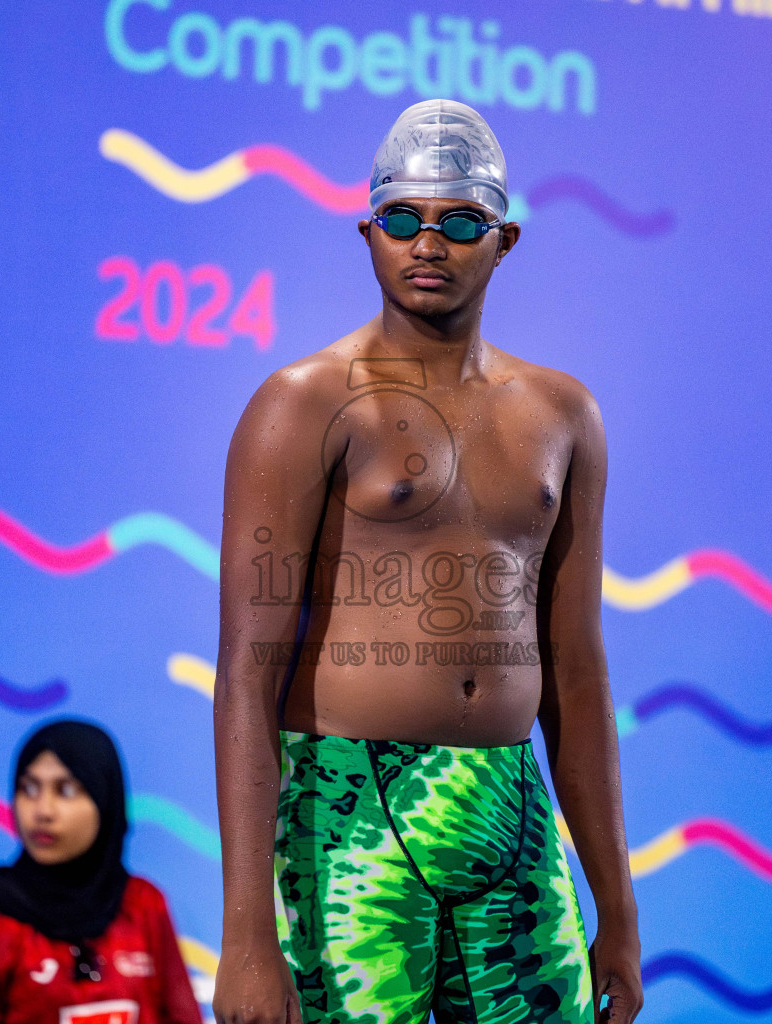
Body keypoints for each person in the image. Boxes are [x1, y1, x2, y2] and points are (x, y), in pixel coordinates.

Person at [212, 99, 643, 1024]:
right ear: (368, 232)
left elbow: (576, 670)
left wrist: (618, 907)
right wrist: (246, 933)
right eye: (404, 219)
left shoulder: (564, 417)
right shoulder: (303, 404)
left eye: (459, 223)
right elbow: (245, 677)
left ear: (506, 239)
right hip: (350, 807)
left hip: (512, 807)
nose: (428, 243)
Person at [0, 719, 201, 1024]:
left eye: (67, 790)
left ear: (105, 800)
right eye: (29, 788)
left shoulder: (143, 905)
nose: (43, 811)